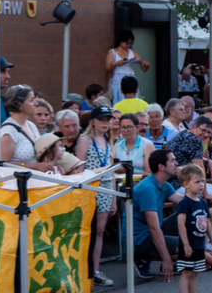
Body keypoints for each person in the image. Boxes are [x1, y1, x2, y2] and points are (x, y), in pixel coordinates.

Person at [76, 106, 118, 286]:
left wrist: (114, 198)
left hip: (106, 188)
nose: (106, 123)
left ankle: (95, 269)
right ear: (93, 121)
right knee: (87, 230)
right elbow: (78, 168)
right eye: (102, 119)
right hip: (90, 188)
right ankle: (82, 269)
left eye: (108, 120)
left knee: (100, 231)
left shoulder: (108, 140)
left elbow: (112, 170)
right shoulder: (85, 140)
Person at [133, 150, 183, 282]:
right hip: (139, 240)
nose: (176, 163)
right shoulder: (147, 189)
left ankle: (177, 258)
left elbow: (185, 203)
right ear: (161, 167)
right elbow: (153, 228)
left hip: (152, 231)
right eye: (172, 160)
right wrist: (166, 259)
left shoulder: (163, 184)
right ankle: (142, 258)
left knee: (186, 214)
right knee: (188, 248)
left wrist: (191, 179)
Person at [0, 84, 58, 172]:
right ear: (19, 105)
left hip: (34, 180)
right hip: (16, 183)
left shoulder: (31, 125)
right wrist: (34, 166)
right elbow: (2, 164)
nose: (36, 103)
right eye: (31, 100)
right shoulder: (8, 131)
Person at [176, 163, 210, 290]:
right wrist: (185, 244)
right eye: (197, 182)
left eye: (202, 181)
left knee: (195, 273)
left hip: (199, 244)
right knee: (187, 272)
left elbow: (207, 221)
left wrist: (211, 239)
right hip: (188, 244)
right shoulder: (184, 203)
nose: (201, 184)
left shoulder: (202, 203)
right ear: (186, 184)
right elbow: (181, 224)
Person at [106, 29, 150, 103]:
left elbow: (143, 68)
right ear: (121, 41)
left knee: (133, 98)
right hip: (118, 77)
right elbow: (107, 69)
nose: (129, 45)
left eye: (131, 43)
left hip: (131, 77)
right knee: (119, 98)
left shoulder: (133, 53)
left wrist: (145, 64)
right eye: (127, 43)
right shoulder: (113, 52)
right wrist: (117, 64)